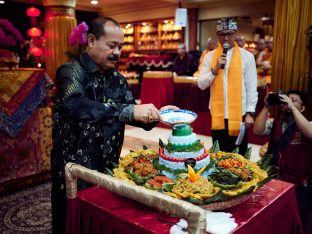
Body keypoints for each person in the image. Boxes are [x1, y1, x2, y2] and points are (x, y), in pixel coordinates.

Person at [51, 16, 178, 234]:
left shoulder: (118, 79)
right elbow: (74, 105)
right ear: (91, 41)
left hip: (108, 169)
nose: (117, 52)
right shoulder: (71, 72)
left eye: (120, 46)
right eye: (112, 45)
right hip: (75, 173)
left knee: (101, 222)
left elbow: (130, 115)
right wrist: (128, 110)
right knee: (71, 223)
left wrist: (158, 115)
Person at [253, 90, 312, 229]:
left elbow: (309, 133)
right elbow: (257, 130)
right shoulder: (274, 122)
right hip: (273, 179)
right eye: (286, 99)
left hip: (298, 184)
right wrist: (267, 107)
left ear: (302, 108)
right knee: (274, 219)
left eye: (294, 100)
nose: (288, 102)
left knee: (295, 222)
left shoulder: (308, 124)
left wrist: (292, 107)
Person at [198, 18, 258, 155]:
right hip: (218, 114)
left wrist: (250, 112)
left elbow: (251, 87)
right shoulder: (209, 57)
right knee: (219, 154)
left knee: (239, 154)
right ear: (217, 34)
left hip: (240, 114)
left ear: (235, 33)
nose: (226, 38)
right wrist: (215, 69)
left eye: (230, 33)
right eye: (222, 34)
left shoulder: (247, 56)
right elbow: (201, 84)